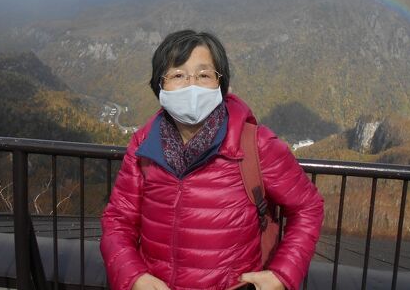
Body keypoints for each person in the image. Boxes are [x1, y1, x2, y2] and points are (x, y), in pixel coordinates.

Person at [100, 30, 324, 290]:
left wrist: (282, 274)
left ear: (221, 84)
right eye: (178, 74)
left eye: (204, 75)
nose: (191, 85)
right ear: (159, 85)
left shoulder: (255, 144)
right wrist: (134, 276)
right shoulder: (144, 145)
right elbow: (118, 219)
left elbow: (308, 207)